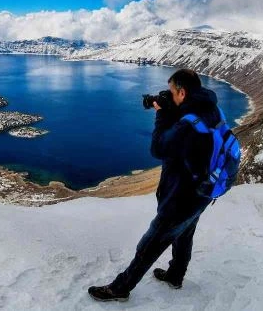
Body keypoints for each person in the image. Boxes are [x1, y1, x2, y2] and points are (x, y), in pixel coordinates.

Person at [88, 68, 220, 302]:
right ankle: (175, 276)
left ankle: (120, 289)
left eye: (172, 91)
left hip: (181, 196)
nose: (168, 95)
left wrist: (161, 114)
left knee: (149, 244)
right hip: (203, 192)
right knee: (184, 235)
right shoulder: (209, 108)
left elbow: (158, 148)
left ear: (182, 91)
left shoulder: (188, 122)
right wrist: (172, 108)